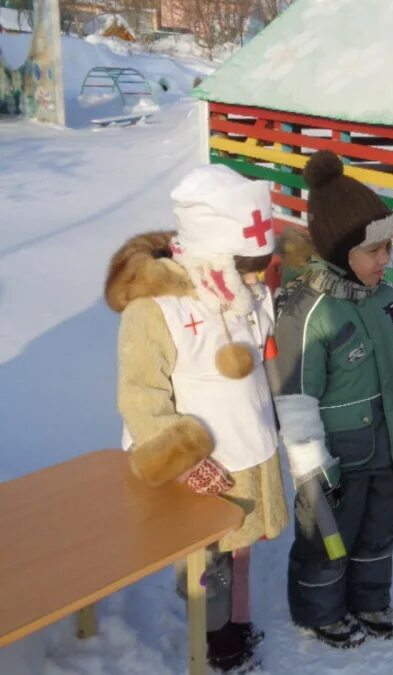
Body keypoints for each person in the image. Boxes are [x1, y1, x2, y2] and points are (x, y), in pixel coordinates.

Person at [107, 165, 288, 672]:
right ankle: (210, 639)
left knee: (242, 548)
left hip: (249, 447)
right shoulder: (156, 310)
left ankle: (237, 625)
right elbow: (141, 394)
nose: (255, 280)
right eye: (246, 268)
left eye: (258, 268)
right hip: (207, 463)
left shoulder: (242, 290)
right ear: (214, 256)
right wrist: (183, 460)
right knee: (208, 559)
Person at [268, 151, 393, 649]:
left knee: (378, 530)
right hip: (335, 459)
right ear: (342, 251)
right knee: (328, 536)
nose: (386, 259)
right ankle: (321, 611)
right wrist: (312, 465)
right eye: (374, 250)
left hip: (385, 445)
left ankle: (370, 600)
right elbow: (296, 396)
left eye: (389, 247)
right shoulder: (309, 310)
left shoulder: (387, 299)